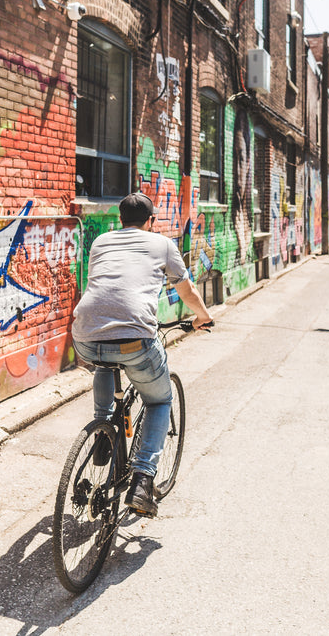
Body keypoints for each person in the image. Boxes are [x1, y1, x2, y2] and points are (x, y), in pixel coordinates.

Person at [71, 193, 213, 517]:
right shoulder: (161, 244)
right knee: (159, 400)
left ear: (119, 220)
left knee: (106, 361)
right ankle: (143, 481)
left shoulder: (101, 242)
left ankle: (104, 429)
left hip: (85, 336)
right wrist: (203, 316)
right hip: (136, 339)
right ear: (151, 221)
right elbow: (185, 289)